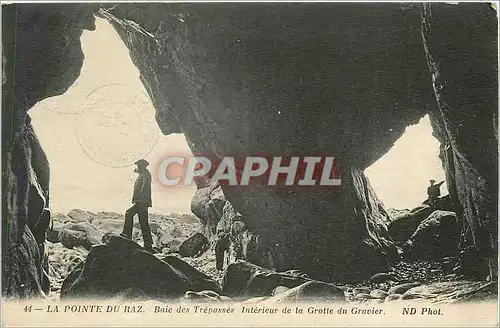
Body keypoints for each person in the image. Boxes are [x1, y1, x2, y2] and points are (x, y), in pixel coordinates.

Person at [121, 159, 154, 252]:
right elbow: (139, 173)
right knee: (143, 222)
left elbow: (143, 188)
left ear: (143, 166)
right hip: (142, 202)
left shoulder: (145, 175)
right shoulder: (144, 174)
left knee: (129, 213)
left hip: (141, 202)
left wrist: (139, 200)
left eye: (139, 166)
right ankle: (148, 245)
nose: (138, 167)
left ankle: (126, 236)